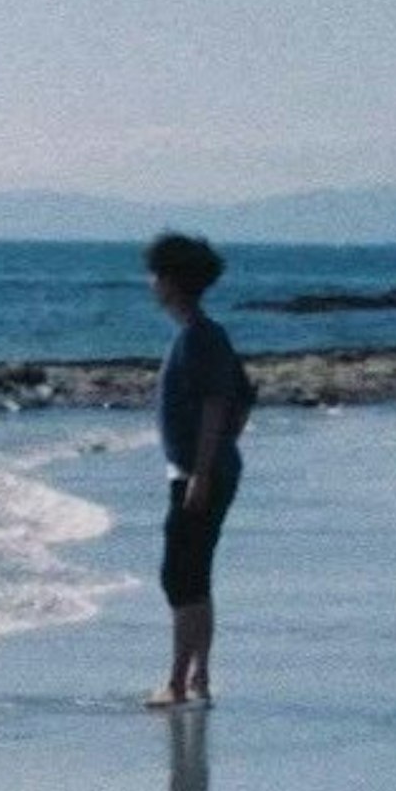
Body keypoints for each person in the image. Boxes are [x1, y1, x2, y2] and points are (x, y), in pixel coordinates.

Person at [145, 231, 252, 707]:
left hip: (198, 474)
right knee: (194, 575)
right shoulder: (202, 336)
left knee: (180, 577)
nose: (152, 284)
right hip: (202, 469)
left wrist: (204, 470)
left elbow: (216, 404)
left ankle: (177, 682)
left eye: (156, 276)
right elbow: (245, 396)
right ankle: (198, 678)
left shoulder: (199, 338)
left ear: (171, 281)